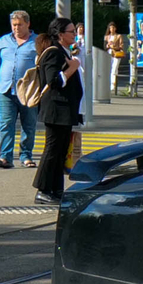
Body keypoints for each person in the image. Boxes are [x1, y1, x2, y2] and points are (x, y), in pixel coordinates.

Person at [29, 19, 83, 206]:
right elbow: (53, 81)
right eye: (71, 31)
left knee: (60, 151)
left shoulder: (63, 51)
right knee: (52, 150)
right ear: (61, 34)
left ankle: (56, 189)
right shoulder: (53, 53)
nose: (74, 34)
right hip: (55, 109)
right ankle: (43, 190)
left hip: (64, 110)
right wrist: (72, 68)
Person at [0, 9, 39, 169]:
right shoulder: (4, 41)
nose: (16, 28)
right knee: (6, 124)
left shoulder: (37, 42)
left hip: (28, 91)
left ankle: (26, 156)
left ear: (28, 24)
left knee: (28, 125)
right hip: (5, 89)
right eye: (14, 25)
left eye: (19, 25)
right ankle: (5, 157)